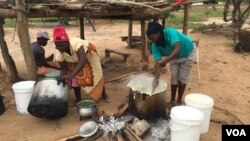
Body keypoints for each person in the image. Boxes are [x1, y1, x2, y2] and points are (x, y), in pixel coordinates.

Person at [52, 26, 110, 104]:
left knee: (97, 75)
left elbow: (83, 60)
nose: (60, 48)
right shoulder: (59, 53)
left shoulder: (76, 44)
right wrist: (62, 77)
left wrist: (71, 74)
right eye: (57, 46)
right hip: (74, 60)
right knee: (75, 79)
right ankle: (78, 99)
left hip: (89, 56)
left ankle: (104, 95)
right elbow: (64, 68)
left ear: (67, 42)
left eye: (61, 45)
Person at [146, 21, 196, 105]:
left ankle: (179, 100)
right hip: (173, 56)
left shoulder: (170, 32)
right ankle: (172, 100)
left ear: (158, 33)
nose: (152, 41)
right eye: (150, 39)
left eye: (152, 38)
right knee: (174, 78)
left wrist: (165, 60)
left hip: (187, 53)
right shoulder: (154, 46)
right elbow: (158, 63)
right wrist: (156, 79)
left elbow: (177, 48)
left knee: (182, 79)